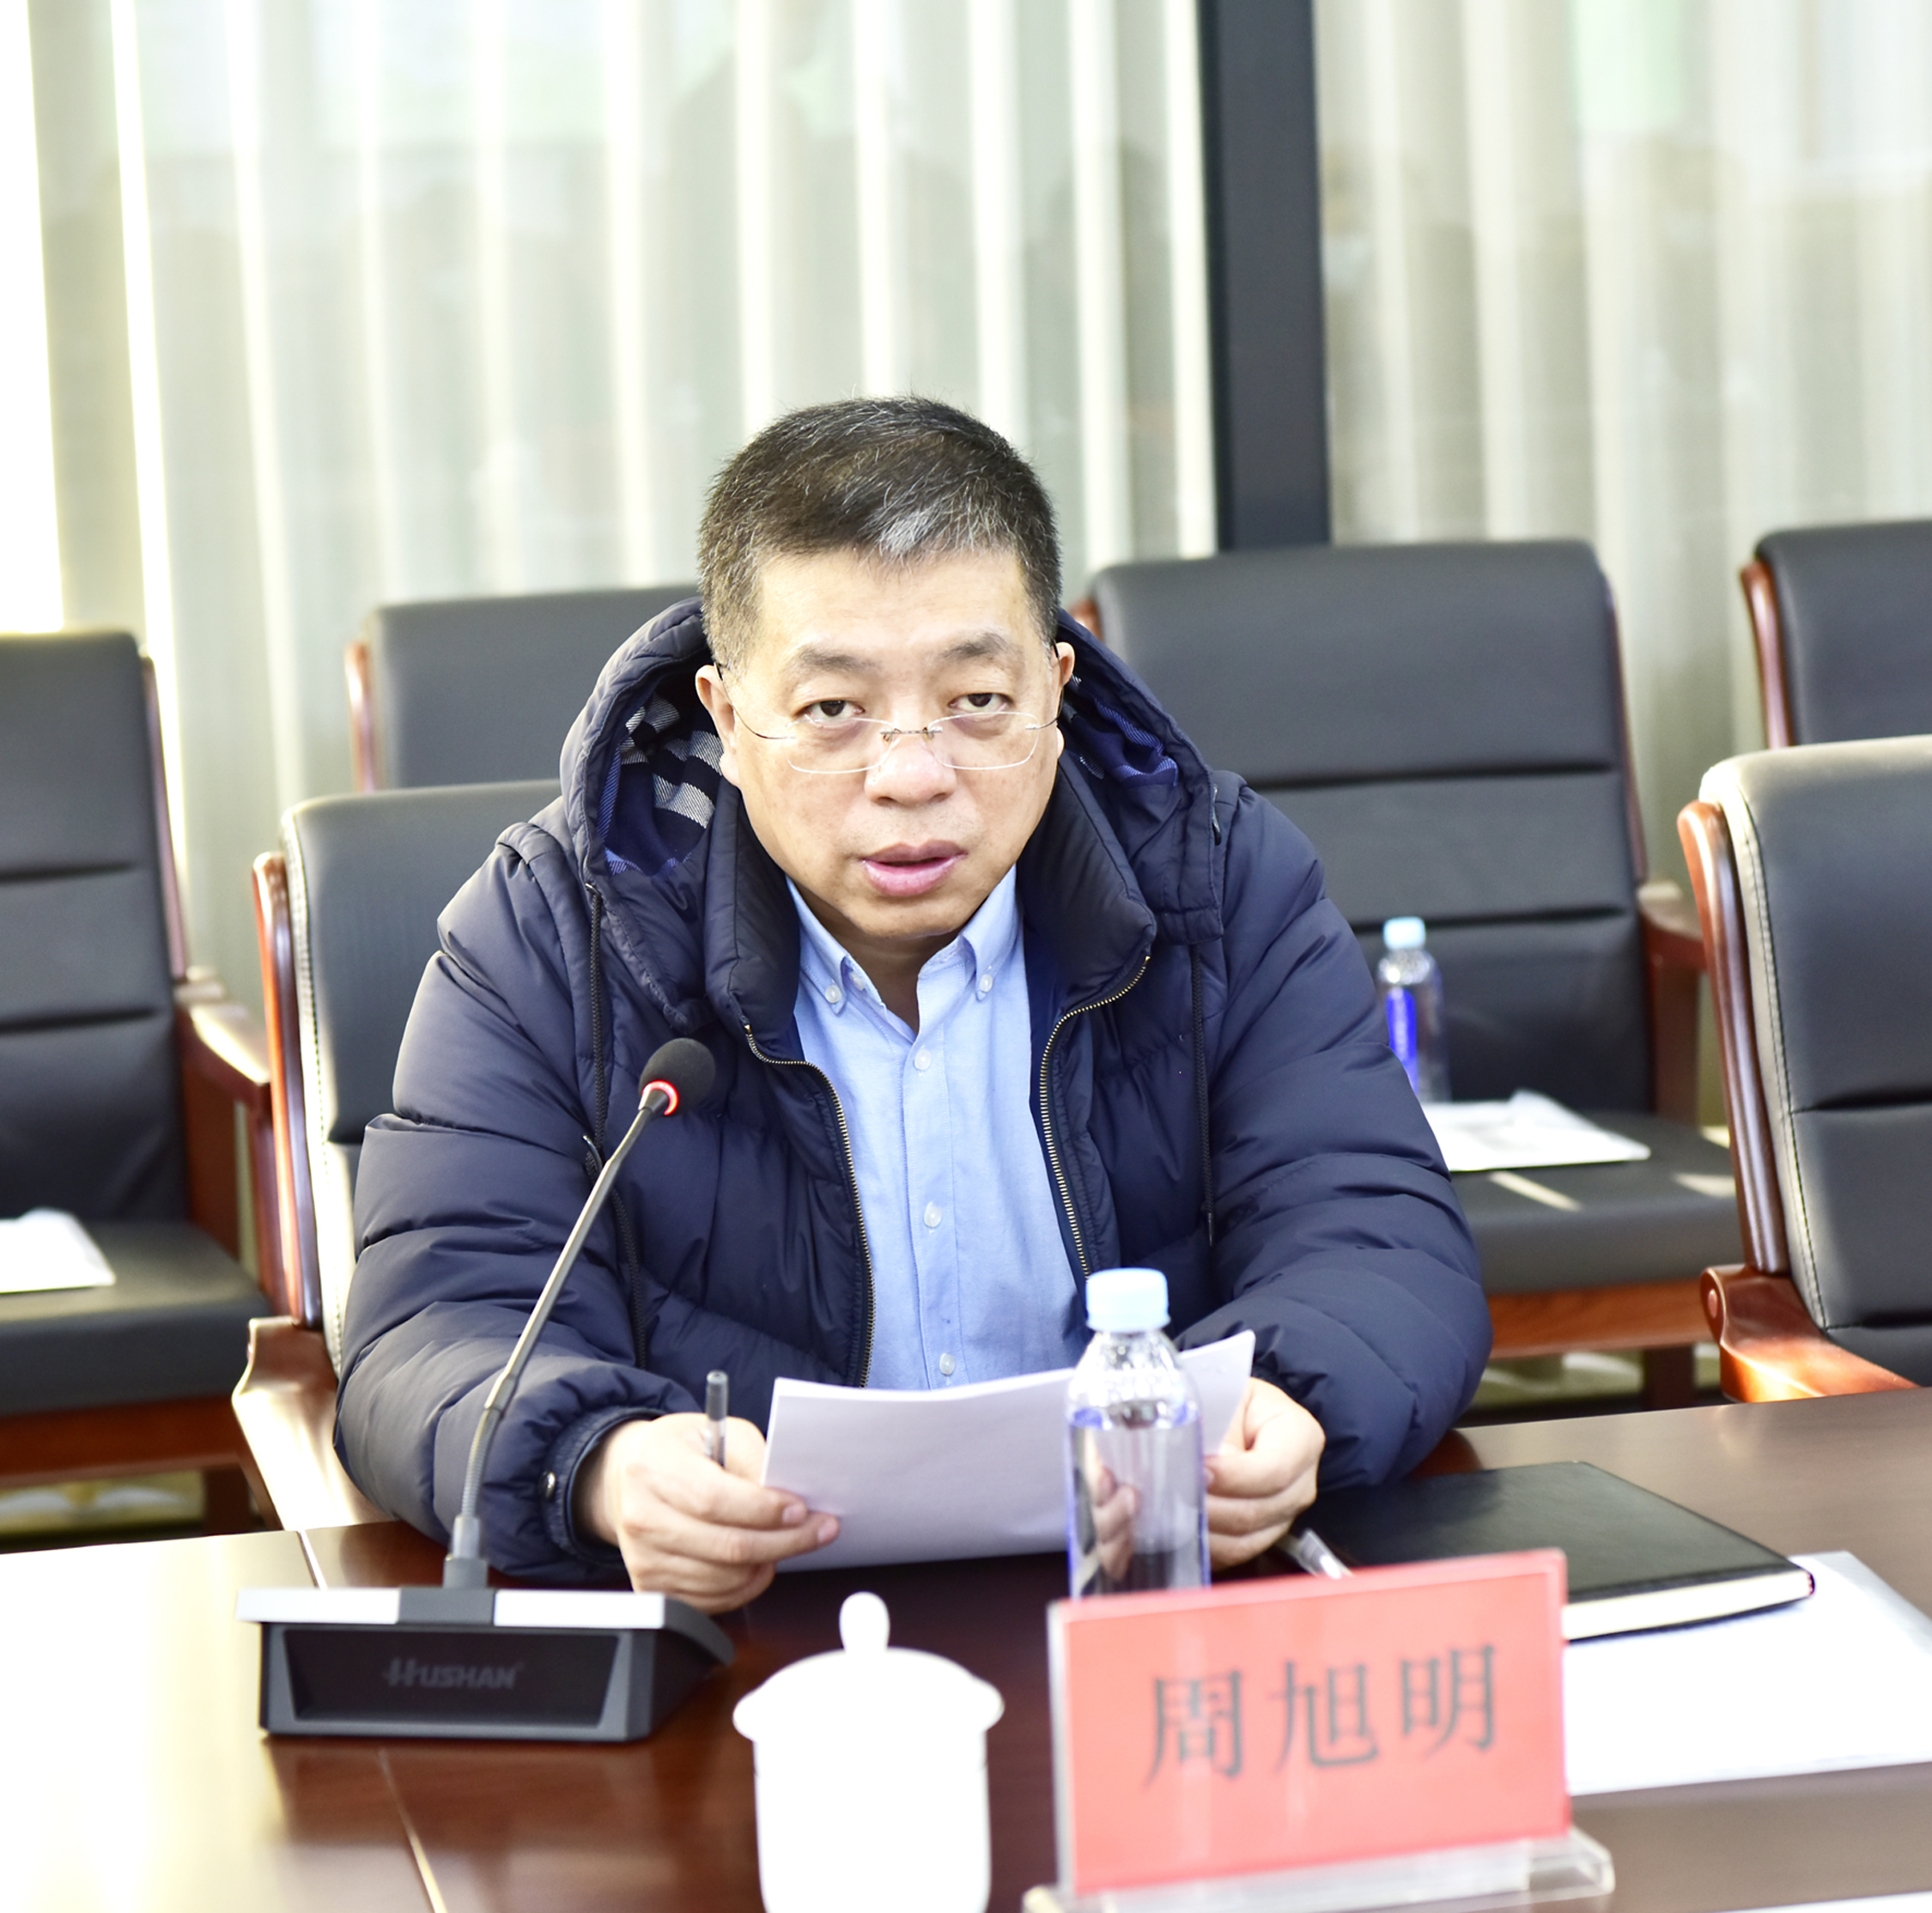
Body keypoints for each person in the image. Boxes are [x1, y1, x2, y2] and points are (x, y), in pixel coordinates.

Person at [341, 398, 1489, 1610]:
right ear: (728, 719)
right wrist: (602, 1464)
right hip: (750, 1626)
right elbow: (435, 1326)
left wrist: (1289, 1398)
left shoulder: (1214, 879)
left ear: (1054, 692)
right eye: (833, 711)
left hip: (1147, 1596)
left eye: (976, 701)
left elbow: (1375, 1232)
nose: (911, 776)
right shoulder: (551, 932)